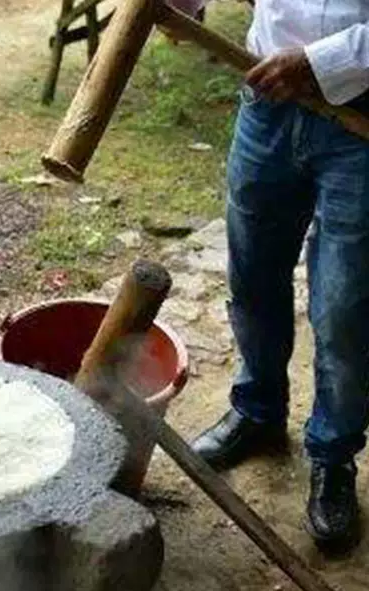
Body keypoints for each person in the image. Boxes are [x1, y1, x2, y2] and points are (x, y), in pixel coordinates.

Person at [189, 0, 369, 553]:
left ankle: (333, 455)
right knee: (253, 275)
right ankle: (258, 410)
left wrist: (321, 61)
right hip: (266, 102)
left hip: (358, 117)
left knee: (343, 307)